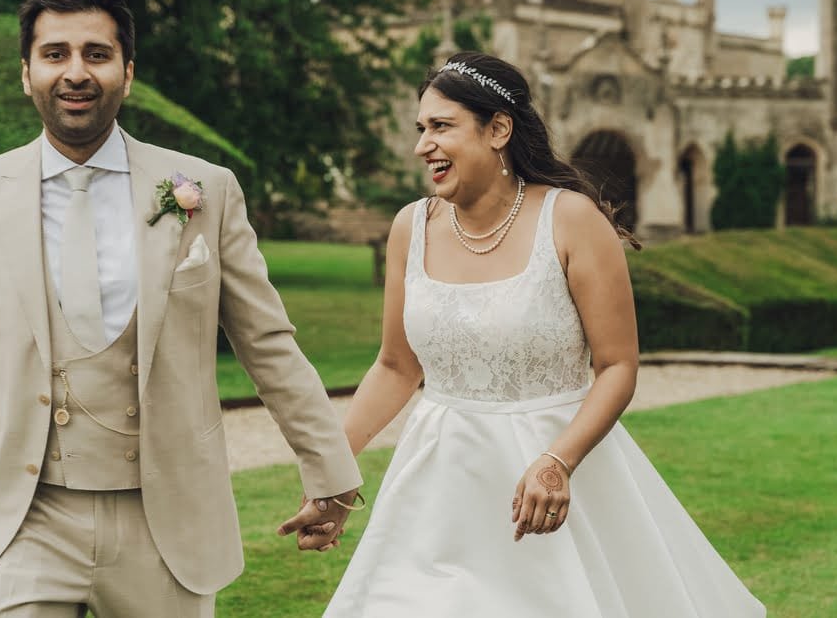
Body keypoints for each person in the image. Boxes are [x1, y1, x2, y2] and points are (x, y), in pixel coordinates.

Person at [0, 0, 361, 617]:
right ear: (26, 74)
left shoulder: (203, 189)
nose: (76, 73)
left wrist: (330, 470)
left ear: (127, 73)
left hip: (167, 525)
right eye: (55, 55)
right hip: (23, 523)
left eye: (96, 54)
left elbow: (267, 342)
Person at [324, 51, 766, 617]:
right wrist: (333, 471)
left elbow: (618, 367)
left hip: (552, 473)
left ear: (498, 130)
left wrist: (559, 461)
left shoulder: (573, 220)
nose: (422, 145)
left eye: (441, 127)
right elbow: (396, 367)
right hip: (437, 485)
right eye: (421, 129)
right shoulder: (411, 226)